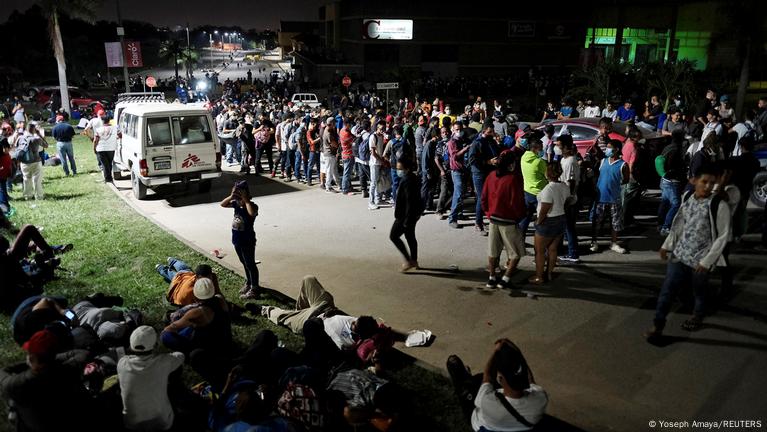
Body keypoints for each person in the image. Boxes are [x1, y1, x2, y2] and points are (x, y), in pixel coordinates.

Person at [645, 165, 730, 340]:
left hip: (700, 261)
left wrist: (707, 262)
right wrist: (667, 245)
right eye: (704, 182)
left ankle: (697, 315)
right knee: (667, 291)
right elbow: (679, 224)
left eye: (711, 183)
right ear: (693, 181)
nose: (708, 186)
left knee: (699, 291)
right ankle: (657, 325)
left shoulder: (718, 205)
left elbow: (723, 236)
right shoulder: (688, 197)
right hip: (679, 255)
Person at [0, 329, 95, 432]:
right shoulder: (69, 369)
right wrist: (50, 359)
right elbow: (83, 353)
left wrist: (26, 364)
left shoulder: (19, 384)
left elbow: (3, 372)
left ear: (31, 358)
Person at [446, 339, 548, 432]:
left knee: (467, 393)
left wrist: (496, 351)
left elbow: (488, 375)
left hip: (482, 425)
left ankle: (460, 378)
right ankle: (466, 378)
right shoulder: (540, 399)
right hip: (516, 426)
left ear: (500, 378)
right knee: (477, 382)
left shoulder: (487, 401)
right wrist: (514, 352)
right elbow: (530, 379)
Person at [118, 326, 185, 432]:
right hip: (163, 423)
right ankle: (178, 392)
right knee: (176, 368)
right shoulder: (164, 362)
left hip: (132, 424)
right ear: (155, 345)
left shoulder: (122, 363)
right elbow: (180, 356)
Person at [481, 150, 526, 289]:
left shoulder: (491, 175)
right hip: (509, 220)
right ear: (511, 164)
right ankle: (505, 279)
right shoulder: (513, 179)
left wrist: (488, 213)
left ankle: (492, 277)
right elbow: (517, 201)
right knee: (515, 253)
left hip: (493, 218)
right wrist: (520, 216)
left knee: (493, 251)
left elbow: (483, 198)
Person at [529, 163, 571, 285]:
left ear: (548, 173)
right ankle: (549, 273)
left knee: (539, 251)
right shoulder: (564, 186)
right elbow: (568, 201)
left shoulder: (548, 189)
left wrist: (538, 221)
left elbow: (545, 207)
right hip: (561, 219)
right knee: (553, 249)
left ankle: (539, 277)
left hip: (548, 221)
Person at [220, 181, 260, 299]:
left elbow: (252, 213)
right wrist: (232, 196)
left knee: (250, 264)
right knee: (244, 263)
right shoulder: (235, 204)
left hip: (247, 240)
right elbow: (222, 204)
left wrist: (246, 200)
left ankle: (255, 288)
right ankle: (249, 282)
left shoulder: (252, 205)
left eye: (240, 193)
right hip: (237, 239)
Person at [590, 139, 629, 254]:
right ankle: (594, 241)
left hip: (614, 198)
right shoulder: (603, 161)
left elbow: (625, 180)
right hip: (600, 198)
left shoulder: (623, 165)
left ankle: (614, 243)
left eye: (609, 147)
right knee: (596, 221)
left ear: (616, 149)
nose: (607, 149)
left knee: (615, 222)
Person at [390, 158, 422, 272]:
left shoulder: (408, 180)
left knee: (393, 236)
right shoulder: (412, 177)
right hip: (412, 214)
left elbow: (410, 201)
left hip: (405, 215)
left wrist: (407, 220)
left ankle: (409, 261)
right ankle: (414, 260)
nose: (398, 170)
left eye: (400, 169)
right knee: (410, 236)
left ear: (406, 168)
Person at [467, 126, 500, 234]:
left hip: (489, 172)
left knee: (489, 197)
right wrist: (487, 162)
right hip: (479, 173)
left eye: (493, 131)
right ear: (484, 131)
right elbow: (472, 160)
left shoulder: (491, 141)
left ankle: (485, 220)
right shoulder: (477, 143)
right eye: (490, 132)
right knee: (482, 197)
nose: (492, 133)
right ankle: (478, 223)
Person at [556, 135, 581, 263]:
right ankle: (561, 249)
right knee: (564, 226)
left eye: (559, 146)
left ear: (566, 147)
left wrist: (567, 200)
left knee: (569, 227)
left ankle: (573, 253)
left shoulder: (571, 161)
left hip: (569, 199)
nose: (557, 148)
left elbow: (571, 182)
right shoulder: (564, 159)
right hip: (562, 197)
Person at [157, 257, 222, 306]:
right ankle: (161, 268)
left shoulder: (196, 279)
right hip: (179, 282)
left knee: (185, 269)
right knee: (175, 274)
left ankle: (172, 261)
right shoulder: (195, 291)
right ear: (196, 277)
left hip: (185, 276)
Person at [657, 130, 687, 236]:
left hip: (665, 179)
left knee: (665, 202)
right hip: (672, 180)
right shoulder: (676, 150)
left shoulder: (668, 147)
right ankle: (666, 226)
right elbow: (672, 165)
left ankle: (660, 224)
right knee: (676, 204)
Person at [518, 139, 548, 239]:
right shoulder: (539, 162)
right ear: (534, 148)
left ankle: (520, 240)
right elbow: (547, 175)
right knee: (543, 220)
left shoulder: (523, 158)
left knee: (525, 218)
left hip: (527, 191)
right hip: (539, 193)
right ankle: (542, 243)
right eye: (540, 148)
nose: (542, 150)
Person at [447, 123, 469, 229]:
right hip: (456, 171)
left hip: (462, 169)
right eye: (456, 130)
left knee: (461, 193)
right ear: (453, 130)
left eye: (460, 130)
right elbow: (454, 156)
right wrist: (465, 149)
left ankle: (459, 213)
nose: (459, 132)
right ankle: (452, 218)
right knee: (458, 194)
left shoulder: (461, 141)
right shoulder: (452, 142)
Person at [17, 122, 47, 200]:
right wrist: (39, 134)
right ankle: (39, 196)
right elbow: (46, 145)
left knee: (26, 179)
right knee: (37, 179)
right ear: (34, 130)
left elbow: (16, 147)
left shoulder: (20, 138)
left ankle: (27, 196)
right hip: (35, 160)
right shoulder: (36, 139)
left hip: (24, 162)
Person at [620, 127, 642, 226]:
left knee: (623, 199)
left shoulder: (626, 144)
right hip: (629, 175)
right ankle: (626, 221)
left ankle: (624, 220)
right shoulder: (633, 147)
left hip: (623, 173)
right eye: (639, 137)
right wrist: (632, 177)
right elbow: (631, 164)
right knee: (629, 200)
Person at [93, 115, 118, 183]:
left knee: (104, 164)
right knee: (109, 163)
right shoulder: (115, 128)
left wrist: (94, 148)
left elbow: (95, 140)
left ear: (102, 121)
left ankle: (108, 179)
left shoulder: (98, 129)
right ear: (109, 120)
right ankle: (109, 178)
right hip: (111, 148)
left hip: (101, 149)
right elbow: (120, 135)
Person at [339, 117, 355, 194]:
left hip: (345, 154)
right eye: (350, 124)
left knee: (347, 172)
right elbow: (353, 140)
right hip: (348, 155)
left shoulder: (342, 130)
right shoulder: (346, 134)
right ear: (347, 124)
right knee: (347, 173)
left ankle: (349, 187)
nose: (351, 126)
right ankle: (345, 189)